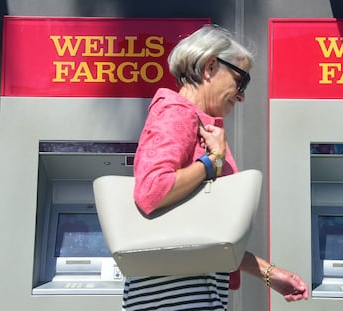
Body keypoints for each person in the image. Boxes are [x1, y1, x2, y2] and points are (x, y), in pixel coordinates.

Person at [123, 24, 308, 310]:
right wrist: (213, 161)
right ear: (210, 67)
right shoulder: (177, 114)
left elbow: (205, 234)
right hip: (173, 300)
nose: (242, 95)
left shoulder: (196, 123)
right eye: (241, 81)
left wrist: (270, 274)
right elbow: (151, 191)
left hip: (193, 296)